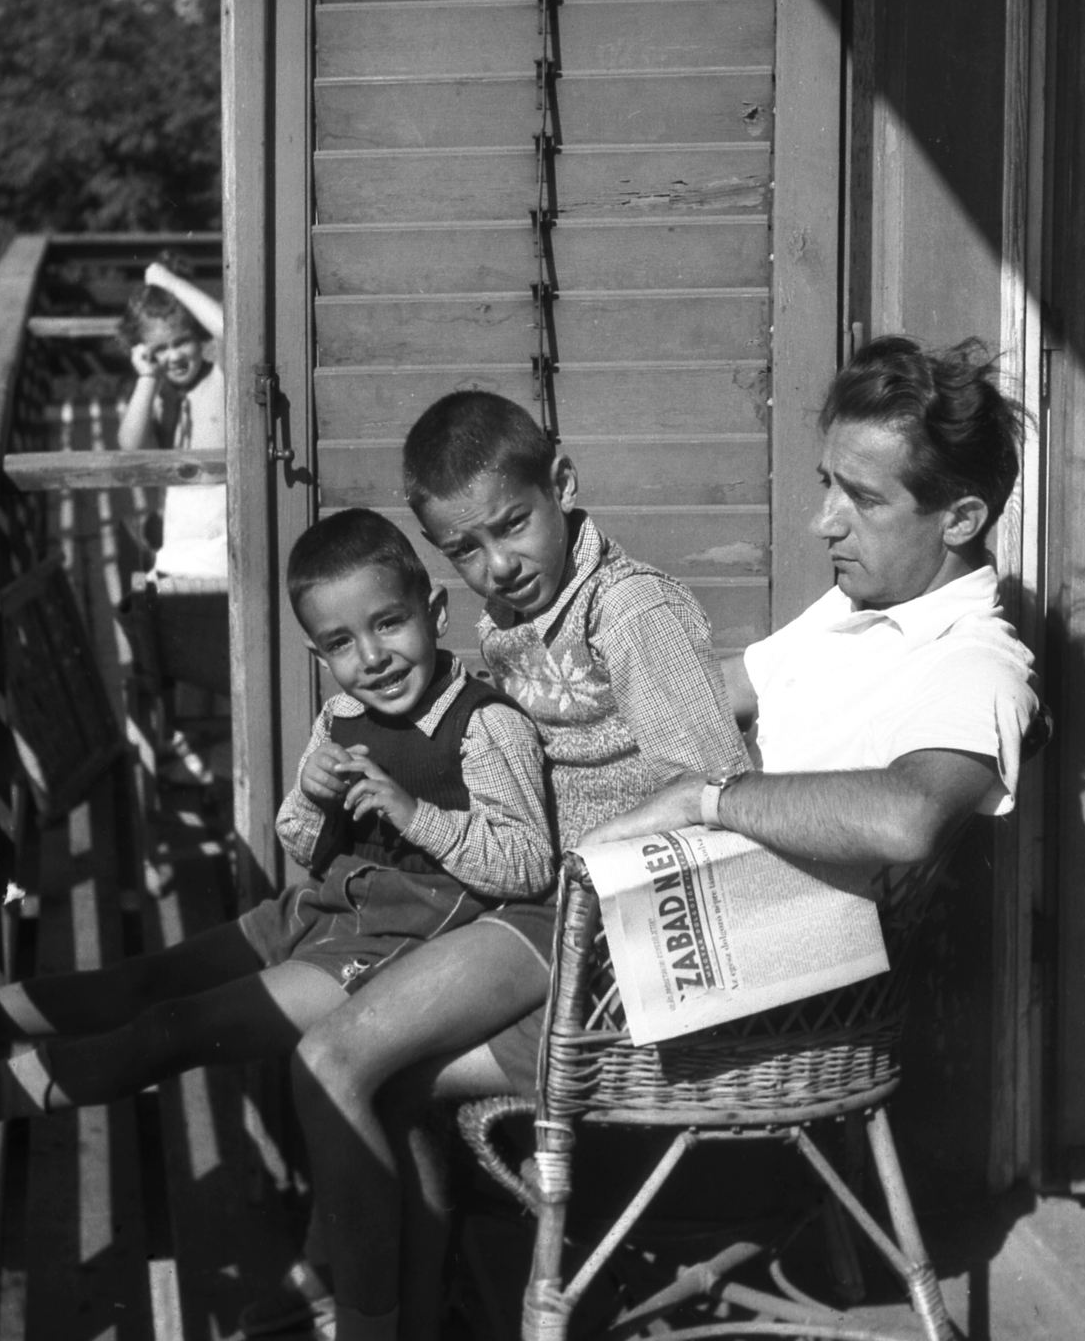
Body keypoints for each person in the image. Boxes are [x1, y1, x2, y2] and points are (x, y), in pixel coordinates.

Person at [269, 390, 751, 1341]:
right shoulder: (505, 620)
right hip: (537, 910)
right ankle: (406, 1304)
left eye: (512, 527)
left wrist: (590, 870)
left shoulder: (632, 612)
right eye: (464, 550)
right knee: (361, 1060)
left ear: (562, 485)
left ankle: (371, 1310)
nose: (497, 566)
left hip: (618, 943)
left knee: (337, 1059)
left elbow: (719, 789)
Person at [0, 511, 553, 1167]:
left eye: (388, 623)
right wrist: (311, 794)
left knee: (176, 1029)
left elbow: (527, 865)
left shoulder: (484, 725)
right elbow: (303, 845)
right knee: (147, 979)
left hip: (399, 944)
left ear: (434, 611)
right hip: (318, 914)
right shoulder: (343, 715)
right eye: (341, 643)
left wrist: (414, 814)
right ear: (319, 655)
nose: (372, 657)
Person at [581, 334, 1041, 873]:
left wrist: (704, 798)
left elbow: (908, 820)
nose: (823, 522)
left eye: (864, 499)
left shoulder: (975, 664)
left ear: (960, 519)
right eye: (829, 485)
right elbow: (713, 693)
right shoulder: (859, 602)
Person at [116, 256, 228, 579]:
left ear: (198, 339)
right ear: (144, 352)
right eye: (160, 349)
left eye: (182, 342)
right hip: (181, 528)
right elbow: (132, 447)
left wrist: (172, 283)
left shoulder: (220, 376)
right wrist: (148, 378)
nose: (174, 356)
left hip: (223, 524)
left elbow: (228, 328)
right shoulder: (154, 394)